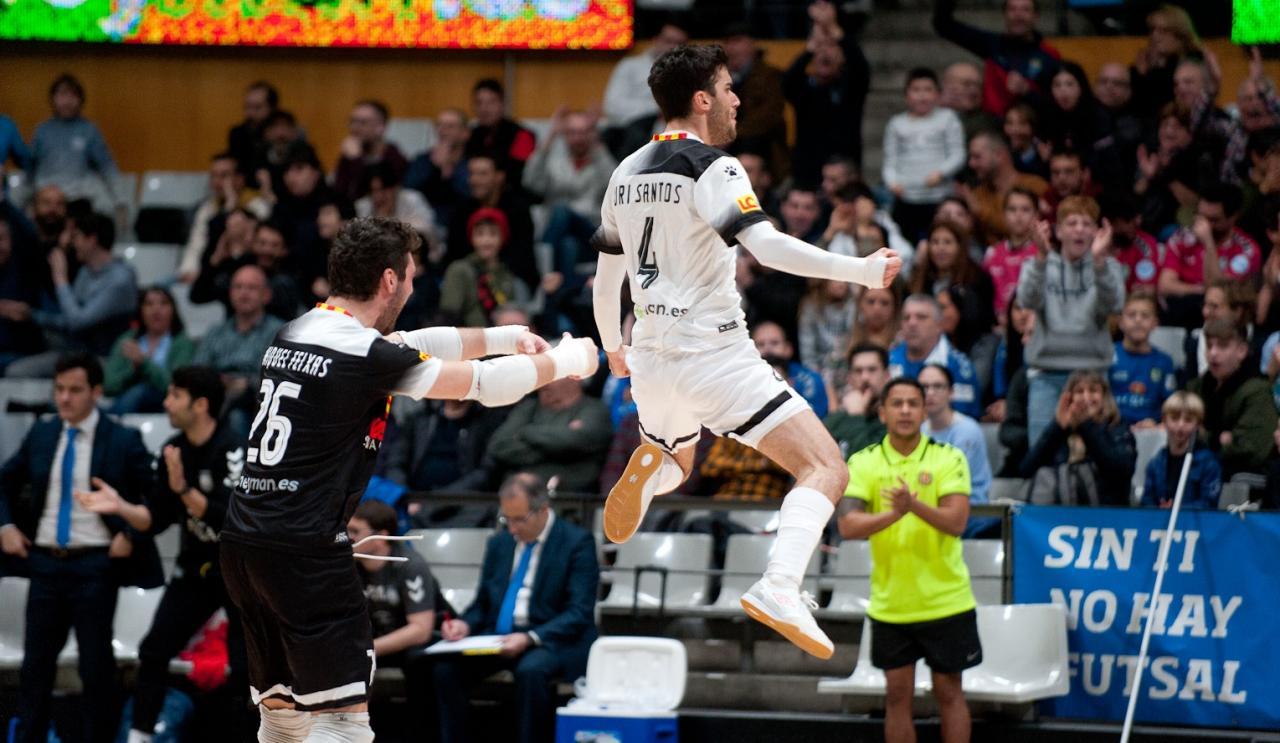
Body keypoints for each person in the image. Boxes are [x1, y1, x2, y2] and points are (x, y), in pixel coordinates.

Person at [217, 216, 597, 742]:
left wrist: (507, 336)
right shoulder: (364, 354)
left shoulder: (301, 328)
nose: (414, 287)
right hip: (304, 547)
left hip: (244, 543)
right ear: (390, 281)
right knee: (342, 722)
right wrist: (570, 359)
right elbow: (483, 386)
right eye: (412, 276)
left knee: (282, 716)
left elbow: (413, 341)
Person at [592, 44, 902, 659]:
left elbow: (605, 280)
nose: (737, 98)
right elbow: (769, 248)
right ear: (701, 100)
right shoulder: (715, 166)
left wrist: (613, 348)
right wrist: (860, 271)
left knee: (679, 462)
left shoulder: (624, 171)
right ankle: (781, 584)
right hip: (716, 357)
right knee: (826, 468)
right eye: (729, 88)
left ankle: (654, 467)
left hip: (649, 356)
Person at [0, 353, 162, 743]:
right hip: (44, 563)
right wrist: (5, 525)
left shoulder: (122, 438)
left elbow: (157, 499)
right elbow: (3, 480)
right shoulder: (42, 433)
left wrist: (131, 533)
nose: (64, 399)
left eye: (74, 390)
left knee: (96, 669)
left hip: (95, 564)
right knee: (35, 668)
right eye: (59, 390)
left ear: (96, 392)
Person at [839, 377, 980, 743]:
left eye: (912, 403)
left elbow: (957, 522)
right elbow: (848, 525)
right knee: (896, 698)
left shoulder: (948, 457)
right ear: (882, 412)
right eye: (897, 404)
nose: (905, 410)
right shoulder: (863, 462)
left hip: (947, 601)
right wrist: (895, 515)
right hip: (891, 605)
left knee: (950, 694)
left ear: (924, 410)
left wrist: (913, 505)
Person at [124, 366, 249, 743]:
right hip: (195, 568)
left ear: (201, 404)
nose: (166, 403)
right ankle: (140, 734)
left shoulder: (234, 448)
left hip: (238, 571)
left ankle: (252, 736)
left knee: (247, 664)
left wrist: (183, 490)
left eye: (175, 395)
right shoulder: (174, 450)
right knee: (153, 649)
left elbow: (232, 518)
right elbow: (156, 518)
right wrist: (119, 508)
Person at [435, 473, 599, 743]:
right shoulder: (500, 543)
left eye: (518, 519)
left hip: (550, 638)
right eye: (506, 518)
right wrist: (465, 624)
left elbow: (579, 612)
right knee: (445, 670)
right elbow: (483, 603)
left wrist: (530, 637)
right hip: (499, 636)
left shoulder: (576, 542)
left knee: (531, 670)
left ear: (543, 510)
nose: (511, 528)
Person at [1017, 196, 1125, 444]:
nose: (1079, 229)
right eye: (1071, 222)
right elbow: (1027, 300)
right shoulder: (1037, 264)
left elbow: (1114, 305)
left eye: (1087, 223)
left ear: (1098, 232)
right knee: (1043, 458)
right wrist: (1042, 259)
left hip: (1093, 377)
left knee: (1097, 455)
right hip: (1047, 376)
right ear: (1058, 230)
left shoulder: (1109, 267)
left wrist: (1099, 264)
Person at [7, 210, 138, 379]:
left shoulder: (120, 280)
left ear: (91, 240)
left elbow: (78, 322)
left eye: (76, 237)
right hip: (74, 354)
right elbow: (69, 321)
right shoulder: (85, 272)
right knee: (16, 371)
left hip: (105, 361)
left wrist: (60, 278)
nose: (71, 243)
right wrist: (31, 315)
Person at [347, 501, 438, 724]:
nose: (348, 538)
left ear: (380, 537)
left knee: (420, 662)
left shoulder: (409, 564)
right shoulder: (346, 565)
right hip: (369, 641)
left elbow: (420, 630)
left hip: (406, 643)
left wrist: (369, 649)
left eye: (355, 532)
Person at [783, 0, 870, 186]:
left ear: (842, 55)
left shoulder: (851, 85)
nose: (825, 53)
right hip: (808, 174)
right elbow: (787, 83)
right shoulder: (804, 87)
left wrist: (834, 29)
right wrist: (809, 49)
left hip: (845, 175)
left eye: (831, 46)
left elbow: (861, 68)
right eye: (820, 47)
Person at [1019, 369, 1136, 505]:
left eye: (1093, 391)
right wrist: (1057, 428)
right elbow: (1026, 470)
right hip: (1060, 514)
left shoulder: (1117, 427)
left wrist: (1085, 425)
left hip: (1106, 515)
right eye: (1079, 392)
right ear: (1069, 397)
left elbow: (1121, 470)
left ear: (1104, 396)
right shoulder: (1061, 431)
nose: (1086, 398)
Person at [484, 375, 612, 493]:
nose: (544, 382)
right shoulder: (528, 407)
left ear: (575, 378)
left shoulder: (594, 409)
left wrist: (525, 432)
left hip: (571, 500)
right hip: (518, 495)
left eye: (553, 375)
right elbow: (498, 445)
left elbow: (577, 440)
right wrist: (557, 450)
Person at [1158, 184, 1262, 328]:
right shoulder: (1181, 238)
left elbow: (1218, 290)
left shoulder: (1247, 250)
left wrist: (1208, 243)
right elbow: (1165, 286)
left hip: (1224, 323)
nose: (1205, 225)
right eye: (1201, 217)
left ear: (1233, 217)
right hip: (1181, 314)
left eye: (1213, 220)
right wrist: (1200, 290)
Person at [191, 265, 286, 421]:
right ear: (230, 293)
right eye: (238, 287)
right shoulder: (215, 332)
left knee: (236, 415)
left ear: (266, 295)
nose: (244, 293)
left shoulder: (279, 332)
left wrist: (244, 384)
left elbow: (276, 379)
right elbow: (197, 371)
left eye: (252, 288)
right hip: (215, 397)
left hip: (255, 406)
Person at [882, 67, 966, 243]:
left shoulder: (948, 118)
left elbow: (958, 154)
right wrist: (892, 182)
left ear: (938, 94)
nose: (922, 95)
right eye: (916, 90)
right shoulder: (897, 124)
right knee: (903, 243)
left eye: (928, 90)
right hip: (906, 197)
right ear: (906, 95)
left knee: (940, 241)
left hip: (939, 197)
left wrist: (941, 172)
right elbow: (890, 161)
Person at [933, 0, 1060, 117]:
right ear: (1005, 14)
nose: (1018, 15)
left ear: (1036, 16)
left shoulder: (1049, 56)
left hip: (1032, 127)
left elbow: (1057, 104)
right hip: (992, 124)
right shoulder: (992, 44)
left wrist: (1027, 92)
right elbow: (943, 25)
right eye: (1012, 9)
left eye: (1025, 10)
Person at [1187, 319, 1278, 480]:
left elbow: (1251, 450)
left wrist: (1205, 436)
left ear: (1242, 350)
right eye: (1209, 346)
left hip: (1239, 483)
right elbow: (1181, 432)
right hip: (1195, 473)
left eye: (1222, 346)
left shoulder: (1257, 391)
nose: (1213, 353)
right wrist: (1220, 438)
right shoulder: (1197, 386)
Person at [30, 74, 123, 214]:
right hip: (46, 198)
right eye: (62, 95)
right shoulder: (42, 130)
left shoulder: (90, 130)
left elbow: (107, 167)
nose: (67, 101)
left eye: (72, 96)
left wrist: (121, 202)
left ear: (80, 100)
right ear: (53, 98)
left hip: (78, 198)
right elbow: (29, 169)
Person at [178, 152, 273, 282]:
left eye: (224, 176)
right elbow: (196, 243)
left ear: (240, 179)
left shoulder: (257, 205)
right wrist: (189, 270)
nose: (217, 182)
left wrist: (230, 208)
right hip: (206, 272)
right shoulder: (207, 208)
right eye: (214, 176)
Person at [602, 21, 689, 158]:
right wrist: (656, 109)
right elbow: (613, 106)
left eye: (679, 44)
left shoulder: (689, 72)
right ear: (656, 40)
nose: (673, 47)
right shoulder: (630, 66)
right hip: (628, 130)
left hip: (670, 129)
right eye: (669, 41)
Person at [104, 287, 197, 414]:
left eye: (163, 303)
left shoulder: (182, 343)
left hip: (166, 403)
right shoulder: (127, 340)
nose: (156, 310)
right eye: (149, 304)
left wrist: (143, 363)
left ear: (173, 310)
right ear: (140, 310)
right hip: (125, 400)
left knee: (141, 391)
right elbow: (109, 386)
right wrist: (132, 370)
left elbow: (178, 386)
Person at [888, 294, 981, 419]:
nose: (912, 323)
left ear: (939, 325)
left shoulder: (959, 367)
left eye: (921, 317)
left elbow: (963, 419)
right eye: (906, 318)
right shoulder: (889, 359)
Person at [439, 208, 531, 327]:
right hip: (470, 340)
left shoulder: (507, 274)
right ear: (472, 238)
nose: (486, 241)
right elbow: (448, 316)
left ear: (502, 238)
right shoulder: (459, 270)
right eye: (480, 234)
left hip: (501, 339)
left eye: (493, 234)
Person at [723, 24, 790, 181]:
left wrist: (730, 135)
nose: (732, 48)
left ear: (752, 44)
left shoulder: (770, 76)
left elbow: (768, 116)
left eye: (737, 41)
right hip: (726, 156)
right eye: (728, 42)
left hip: (764, 155)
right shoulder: (717, 78)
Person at [920, 364, 991, 507]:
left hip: (973, 510)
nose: (930, 393)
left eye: (938, 386)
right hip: (931, 506)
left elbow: (953, 482)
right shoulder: (919, 429)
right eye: (924, 387)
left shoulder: (967, 430)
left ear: (951, 392)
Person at [963, 130, 1048, 246]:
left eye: (977, 157)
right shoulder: (977, 194)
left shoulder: (1036, 186)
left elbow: (1024, 231)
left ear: (999, 155)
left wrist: (979, 212)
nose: (971, 163)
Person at [1141, 391, 1222, 510]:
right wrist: (1158, 510)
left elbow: (1209, 503)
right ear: (1164, 420)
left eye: (1188, 420)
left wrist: (1178, 509)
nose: (1180, 425)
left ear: (1198, 424)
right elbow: (1146, 501)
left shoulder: (1208, 463)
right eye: (1174, 418)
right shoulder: (1156, 462)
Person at [1110, 292, 1177, 428]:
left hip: (1150, 430)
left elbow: (1170, 406)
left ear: (1155, 323)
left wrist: (1157, 423)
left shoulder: (1164, 361)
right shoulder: (1107, 356)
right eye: (1131, 315)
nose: (1138, 320)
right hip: (1112, 429)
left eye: (1145, 316)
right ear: (1121, 322)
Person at [982, 187, 1042, 320]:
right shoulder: (991, 254)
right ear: (1003, 214)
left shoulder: (1043, 253)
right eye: (1012, 209)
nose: (1018, 215)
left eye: (1025, 209)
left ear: (1037, 215)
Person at [333, 100, 408, 204]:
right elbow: (340, 195)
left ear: (381, 127)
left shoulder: (394, 158)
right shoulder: (349, 156)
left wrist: (356, 161)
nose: (355, 128)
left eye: (363, 122)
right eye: (352, 121)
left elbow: (373, 195)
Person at [465, 79, 537, 185]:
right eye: (479, 103)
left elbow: (520, 175)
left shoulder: (522, 135)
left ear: (503, 104)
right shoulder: (469, 135)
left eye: (491, 102)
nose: (484, 109)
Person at [825, 343, 891, 458]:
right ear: (849, 378)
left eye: (872, 370)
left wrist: (856, 417)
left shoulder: (894, 419)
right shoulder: (837, 419)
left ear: (887, 376)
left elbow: (870, 463)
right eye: (858, 371)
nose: (865, 377)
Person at [753, 320, 829, 418]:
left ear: (788, 349)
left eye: (774, 343)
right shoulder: (743, 382)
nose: (768, 349)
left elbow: (813, 420)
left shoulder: (810, 380)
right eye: (760, 344)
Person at [228, 81, 279, 173]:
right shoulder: (238, 133)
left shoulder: (287, 133)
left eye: (257, 107)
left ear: (272, 108)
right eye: (247, 107)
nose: (250, 113)